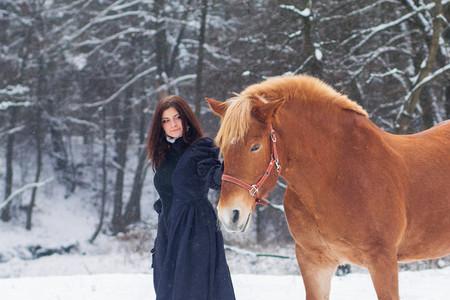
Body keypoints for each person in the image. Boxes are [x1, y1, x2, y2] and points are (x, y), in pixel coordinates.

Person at [147, 95, 236, 300]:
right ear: (160, 126)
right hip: (169, 231)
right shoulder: (164, 153)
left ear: (186, 118)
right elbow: (169, 190)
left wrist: (231, 168)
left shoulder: (200, 148)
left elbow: (214, 177)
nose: (173, 124)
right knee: (168, 289)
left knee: (193, 291)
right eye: (166, 120)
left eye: (177, 117)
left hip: (195, 230)